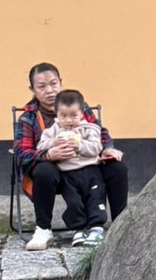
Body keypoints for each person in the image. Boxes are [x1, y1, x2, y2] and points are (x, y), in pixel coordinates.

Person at [14, 63, 129, 251]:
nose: (49, 90)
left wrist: (107, 148)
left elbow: (99, 132)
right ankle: (43, 229)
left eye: (53, 83)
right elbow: (21, 155)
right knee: (43, 170)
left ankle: (120, 226)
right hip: (57, 174)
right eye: (41, 86)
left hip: (87, 166)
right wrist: (48, 155)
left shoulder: (78, 106)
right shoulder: (29, 118)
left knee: (117, 167)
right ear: (32, 89)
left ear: (60, 82)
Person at [36, 88, 107, 247]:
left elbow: (96, 148)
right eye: (63, 116)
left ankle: (96, 228)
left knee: (95, 198)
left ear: (82, 113)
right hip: (67, 173)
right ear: (56, 113)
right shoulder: (52, 131)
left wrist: (80, 145)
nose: (69, 120)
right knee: (73, 202)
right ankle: (78, 229)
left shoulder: (89, 129)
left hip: (90, 171)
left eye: (74, 115)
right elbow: (40, 147)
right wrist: (52, 143)